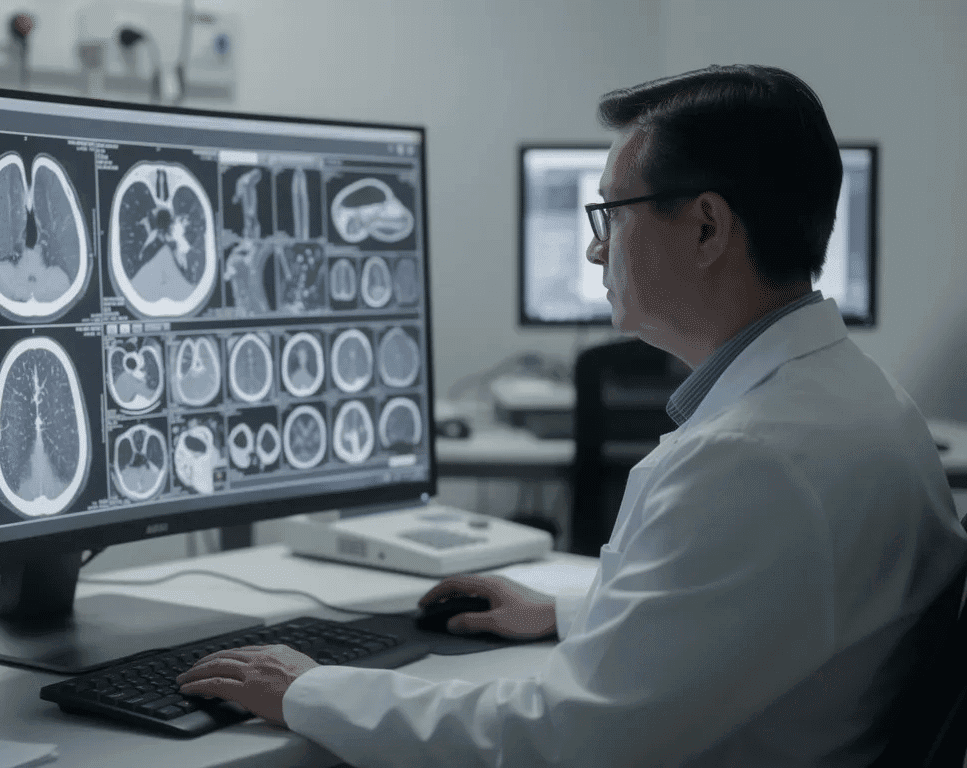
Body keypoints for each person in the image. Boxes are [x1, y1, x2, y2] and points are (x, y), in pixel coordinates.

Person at [176, 65, 967, 766]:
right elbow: (755, 608)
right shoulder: (864, 401)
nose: (596, 251)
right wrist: (562, 611)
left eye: (611, 214)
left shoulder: (748, 458)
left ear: (706, 227)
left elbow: (560, 743)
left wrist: (311, 690)